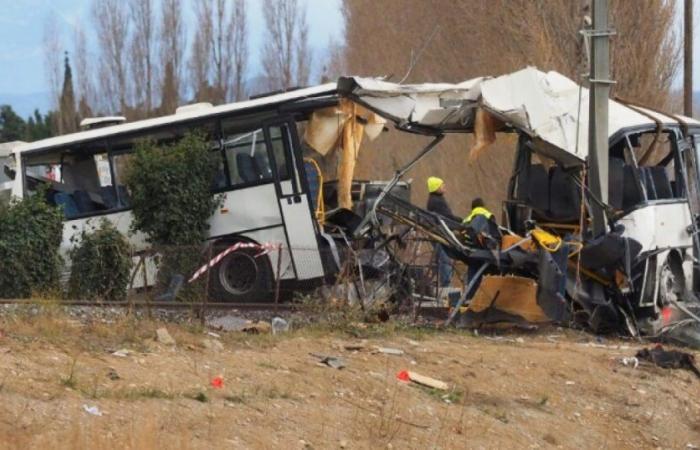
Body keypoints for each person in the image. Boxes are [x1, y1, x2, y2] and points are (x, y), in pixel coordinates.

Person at [426, 176, 459, 287]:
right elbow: (447, 217)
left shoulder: (436, 199)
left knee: (442, 259)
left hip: (439, 233)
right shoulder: (437, 202)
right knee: (445, 259)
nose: (444, 186)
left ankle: (442, 283)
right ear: (436, 187)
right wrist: (461, 222)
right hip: (439, 234)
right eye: (442, 185)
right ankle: (446, 286)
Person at [462, 197, 494, 300]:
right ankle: (483, 299)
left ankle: (470, 297)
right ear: (483, 206)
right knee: (486, 276)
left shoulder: (467, 219)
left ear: (472, 208)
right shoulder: (488, 215)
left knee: (473, 273)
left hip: (470, 251)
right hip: (485, 251)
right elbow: (494, 233)